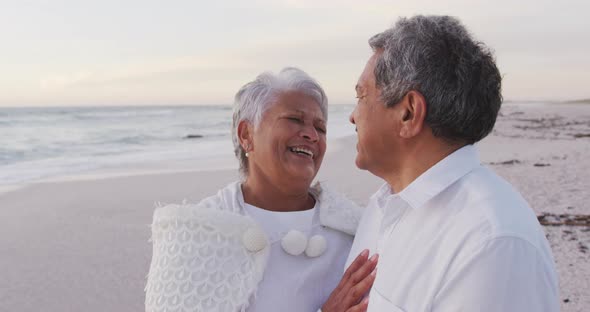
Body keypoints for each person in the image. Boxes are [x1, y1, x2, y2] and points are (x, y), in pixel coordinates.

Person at [347, 15, 559, 311]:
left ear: (408, 113)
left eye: (361, 95)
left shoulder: (491, 242)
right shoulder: (383, 206)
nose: (352, 116)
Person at [144, 67, 376, 312]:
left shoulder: (357, 228)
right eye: (294, 119)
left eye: (320, 128)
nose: (311, 135)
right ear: (246, 135)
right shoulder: (196, 234)